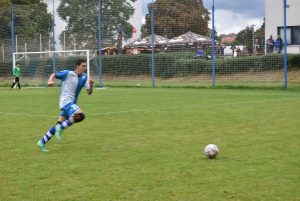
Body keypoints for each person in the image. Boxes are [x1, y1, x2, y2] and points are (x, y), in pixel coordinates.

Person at [36, 58, 94, 152]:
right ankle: (61, 127)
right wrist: (50, 81)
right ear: (77, 66)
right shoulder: (68, 73)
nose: (85, 67)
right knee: (80, 115)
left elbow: (89, 92)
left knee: (58, 124)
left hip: (71, 104)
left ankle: (42, 142)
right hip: (66, 101)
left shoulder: (85, 77)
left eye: (85, 66)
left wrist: (91, 85)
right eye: (83, 66)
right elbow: (54, 74)